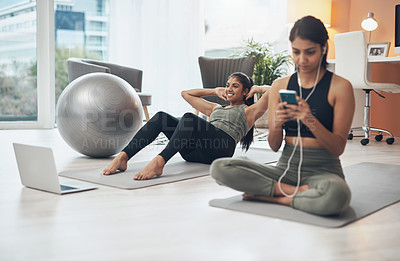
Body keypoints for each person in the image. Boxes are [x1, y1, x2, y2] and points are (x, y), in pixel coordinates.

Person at [210, 16, 355, 216]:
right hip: (286, 167)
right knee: (219, 168)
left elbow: (338, 148)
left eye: (310, 52)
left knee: (337, 196)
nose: (301, 60)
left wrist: (309, 119)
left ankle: (274, 197)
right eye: (296, 52)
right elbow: (274, 145)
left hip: (324, 169)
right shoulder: (280, 86)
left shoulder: (340, 87)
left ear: (323, 49)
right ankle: (298, 193)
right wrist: (277, 124)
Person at [103, 72, 270, 180]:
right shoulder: (215, 108)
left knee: (189, 118)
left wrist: (257, 89)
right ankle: (124, 157)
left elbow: (272, 91)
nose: (229, 88)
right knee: (161, 117)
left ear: (245, 91)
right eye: (228, 85)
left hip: (220, 149)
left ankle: (159, 162)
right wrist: (214, 90)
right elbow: (186, 94)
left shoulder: (249, 111)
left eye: (235, 86)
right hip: (195, 152)